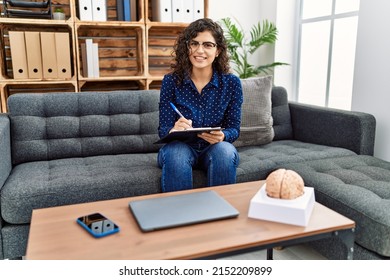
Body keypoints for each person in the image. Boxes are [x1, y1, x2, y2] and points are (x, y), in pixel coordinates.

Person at [157, 18, 243, 192]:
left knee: (225, 152)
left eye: (208, 45)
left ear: (218, 50)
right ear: (186, 47)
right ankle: (179, 217)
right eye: (194, 43)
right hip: (180, 147)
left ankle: (220, 215)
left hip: (214, 148)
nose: (199, 50)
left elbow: (234, 129)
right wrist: (174, 130)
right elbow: (163, 130)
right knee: (176, 154)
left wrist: (223, 136)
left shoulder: (232, 83)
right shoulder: (171, 81)